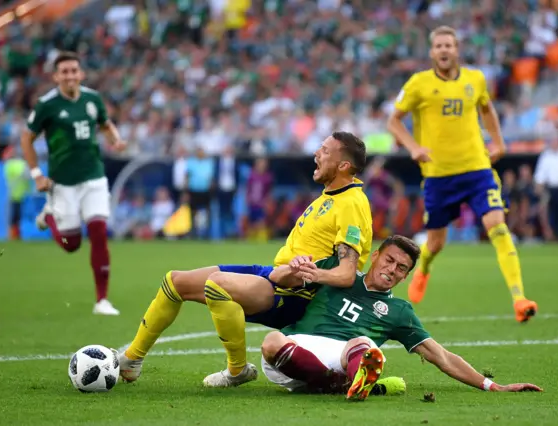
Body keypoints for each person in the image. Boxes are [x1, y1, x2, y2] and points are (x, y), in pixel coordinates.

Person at [118, 132, 375, 388]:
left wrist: (309, 274)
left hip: (296, 293)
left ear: (344, 165)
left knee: (217, 284)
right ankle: (131, 360)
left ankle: (237, 370)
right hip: (275, 274)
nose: (316, 154)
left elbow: (346, 274)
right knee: (175, 282)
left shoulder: (351, 203)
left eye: (326, 151)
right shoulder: (329, 197)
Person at [262, 235, 543, 400]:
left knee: (363, 344)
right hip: (296, 350)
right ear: (375, 256)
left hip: (344, 358)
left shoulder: (399, 312)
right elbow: (280, 279)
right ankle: (340, 385)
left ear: (406, 276)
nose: (392, 269)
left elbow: (440, 356)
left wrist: (492, 385)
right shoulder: (336, 271)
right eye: (389, 260)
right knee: (272, 341)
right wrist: (294, 267)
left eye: (401, 268)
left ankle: (342, 381)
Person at [386, 26, 538, 323]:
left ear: (457, 50)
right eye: (439, 45)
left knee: (498, 227)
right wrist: (413, 147)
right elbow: (393, 121)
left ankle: (519, 298)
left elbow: (487, 110)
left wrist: (499, 141)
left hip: (477, 169)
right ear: (432, 52)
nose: (444, 50)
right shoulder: (418, 84)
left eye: (449, 45)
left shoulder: (475, 79)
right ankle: (424, 269)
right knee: (436, 243)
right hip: (439, 176)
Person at [20, 51, 127, 315]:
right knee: (72, 245)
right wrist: (37, 174)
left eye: (73, 70)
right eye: (64, 72)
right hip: (63, 182)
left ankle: (102, 300)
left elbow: (104, 123)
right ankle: (50, 216)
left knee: (99, 231)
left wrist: (115, 138)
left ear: (81, 73)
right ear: (56, 76)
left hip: (93, 176)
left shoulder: (92, 98)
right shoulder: (47, 104)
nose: (70, 76)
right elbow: (26, 138)